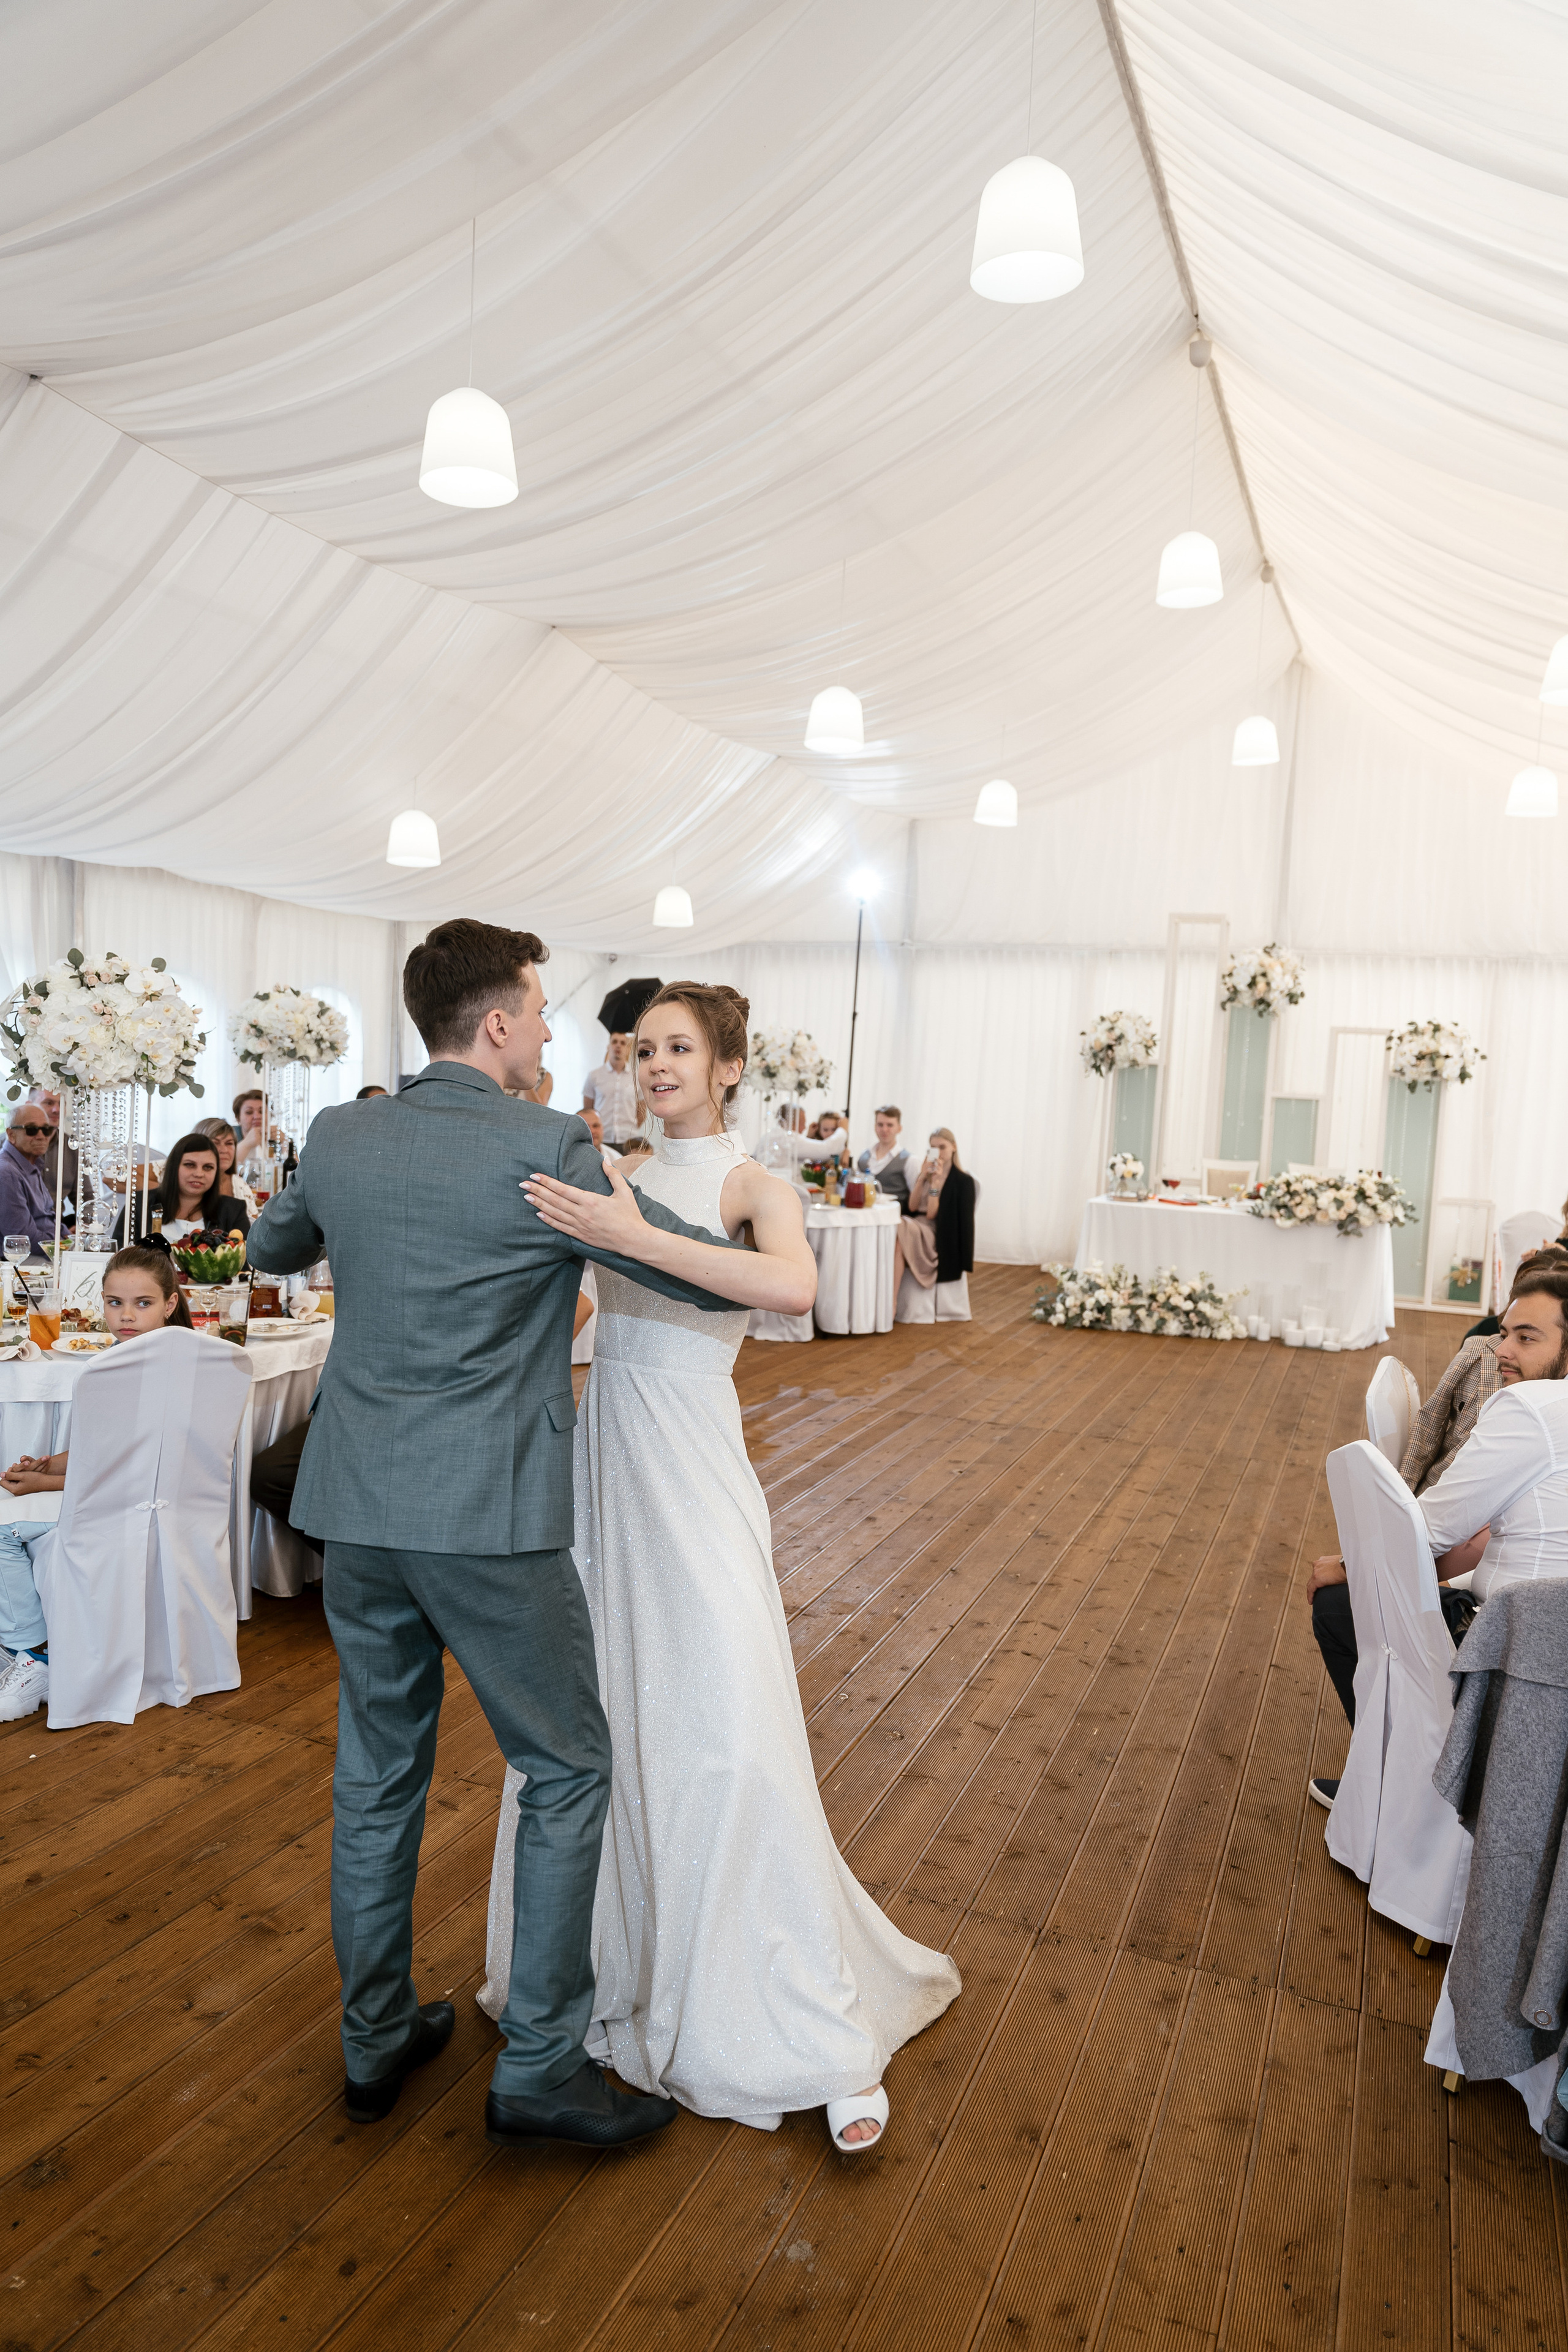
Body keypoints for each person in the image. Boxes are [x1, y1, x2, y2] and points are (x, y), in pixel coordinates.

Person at [245, 916, 760, 2151]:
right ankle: (538, 2065)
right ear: (494, 1023)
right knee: (566, 1765)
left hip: (357, 1512)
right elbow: (681, 1273)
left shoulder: (342, 1131)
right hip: (490, 1519)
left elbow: (271, 1246)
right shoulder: (545, 1146)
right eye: (535, 1009)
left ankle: (375, 2039)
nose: (545, 1032)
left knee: (376, 1779)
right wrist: (707, 1225)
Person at [496, 981, 961, 2152]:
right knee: (602, 1718)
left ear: (729, 1066)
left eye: (680, 1048)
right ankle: (605, 1973)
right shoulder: (615, 1167)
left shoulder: (754, 1186)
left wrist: (632, 1235)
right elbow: (581, 1310)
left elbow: (793, 1288)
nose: (656, 1064)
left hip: (694, 1457)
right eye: (643, 1048)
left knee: (733, 1722)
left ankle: (805, 2017)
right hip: (605, 1458)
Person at [1308, 1265, 1568, 1804]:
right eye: (1505, 1333)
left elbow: (1428, 1529)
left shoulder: (1531, 1409)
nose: (1501, 1351)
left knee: (1338, 1605)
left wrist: (1347, 1566)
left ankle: (1399, 1794)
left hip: (1516, 1650)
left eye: (1527, 1338)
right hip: (1548, 1635)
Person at [0, 1247, 192, 1722]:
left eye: (143, 1304)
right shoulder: (168, 1355)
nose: (126, 1316)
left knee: (2, 1527)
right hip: (145, 1497)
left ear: (170, 1303)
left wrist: (42, 1485)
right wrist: (48, 1466)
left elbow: (126, 1470)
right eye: (114, 1302)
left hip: (130, 1506)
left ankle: (36, 1654)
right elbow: (110, 1451)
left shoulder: (136, 1368)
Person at [113, 1132, 250, 1245]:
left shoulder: (233, 1210)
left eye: (208, 1167)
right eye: (190, 1165)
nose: (199, 1174)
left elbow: (243, 1265)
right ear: (174, 1167)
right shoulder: (140, 1204)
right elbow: (119, 1257)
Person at [892, 1128, 976, 1305]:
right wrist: (922, 1177)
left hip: (935, 1231)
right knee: (898, 1240)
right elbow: (912, 1206)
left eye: (942, 1147)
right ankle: (892, 1302)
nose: (938, 1152)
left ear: (954, 1147)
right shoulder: (927, 1174)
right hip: (914, 1224)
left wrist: (935, 1184)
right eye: (933, 1148)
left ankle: (891, 1302)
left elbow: (931, 1214)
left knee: (898, 1225)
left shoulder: (962, 1181)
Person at [0, 1102, 60, 1254]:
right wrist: (63, 1243)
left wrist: (66, 1233)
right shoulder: (6, 1173)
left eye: (46, 1130)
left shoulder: (32, 1163)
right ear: (11, 1135)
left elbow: (46, 1216)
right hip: (22, 1260)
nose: (41, 1136)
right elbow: (22, 1239)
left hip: (44, 1251)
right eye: (31, 1130)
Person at [26, 1086, 78, 1220]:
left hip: (58, 1227)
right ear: (29, 1106)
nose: (57, 1110)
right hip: (17, 1227)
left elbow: (85, 1197)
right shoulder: (7, 1146)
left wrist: (81, 1226)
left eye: (61, 1104)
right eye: (49, 1103)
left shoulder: (72, 1146)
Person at [192, 1117, 260, 1218]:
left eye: (229, 1143)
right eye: (216, 1143)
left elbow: (254, 1225)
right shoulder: (190, 1183)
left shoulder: (240, 1186)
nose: (224, 1150)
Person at [581, 1031, 638, 1147]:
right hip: (603, 1139)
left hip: (629, 1139)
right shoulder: (594, 1076)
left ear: (628, 1049)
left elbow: (642, 1111)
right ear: (608, 1047)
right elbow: (588, 1109)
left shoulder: (637, 1077)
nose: (618, 1046)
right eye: (614, 1042)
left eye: (623, 1043)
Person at [857, 1104, 910, 1207]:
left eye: (890, 1125)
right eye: (880, 1125)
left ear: (899, 1128)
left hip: (895, 1214)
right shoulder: (864, 1156)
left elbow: (916, 1200)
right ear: (875, 1127)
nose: (884, 1130)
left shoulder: (909, 1160)